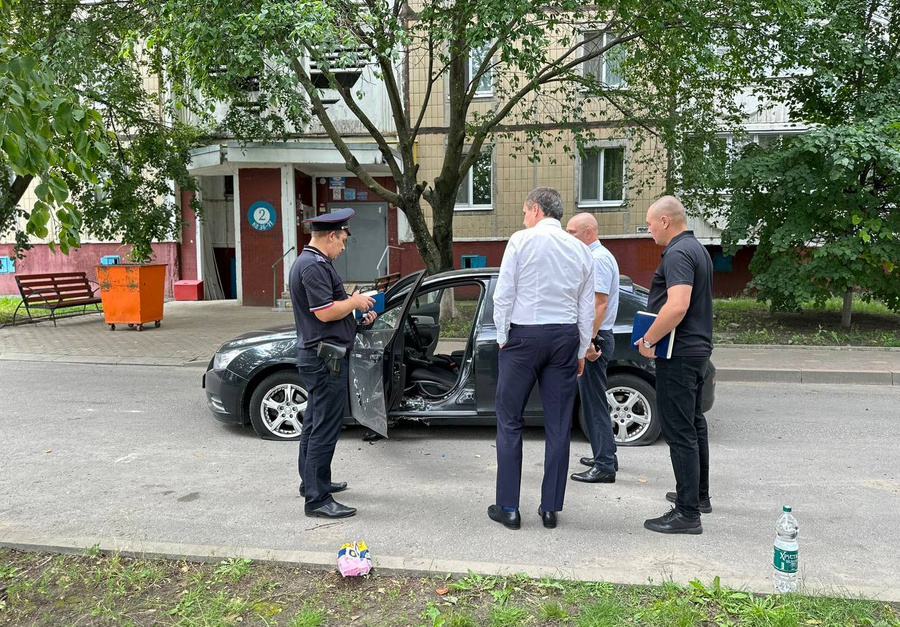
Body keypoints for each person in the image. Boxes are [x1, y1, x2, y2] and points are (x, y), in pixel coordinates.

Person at [489, 187, 595, 530]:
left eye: (524, 211)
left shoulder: (520, 241)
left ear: (535, 209)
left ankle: (508, 508)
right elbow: (586, 307)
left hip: (523, 336)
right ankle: (550, 508)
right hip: (564, 337)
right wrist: (581, 349)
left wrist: (502, 336)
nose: (523, 218)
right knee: (559, 425)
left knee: (509, 420)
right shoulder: (581, 250)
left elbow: (504, 293)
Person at [289, 208, 377, 519]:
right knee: (324, 428)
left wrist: (356, 315)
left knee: (315, 423)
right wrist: (354, 301)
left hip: (321, 355)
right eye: (342, 240)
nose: (343, 247)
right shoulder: (314, 266)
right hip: (324, 359)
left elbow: (329, 312)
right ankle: (317, 500)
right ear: (331, 236)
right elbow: (324, 312)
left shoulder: (312, 262)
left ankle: (313, 483)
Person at [635, 196, 714, 535]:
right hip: (696, 351)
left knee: (679, 432)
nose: (649, 229)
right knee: (693, 425)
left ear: (665, 221)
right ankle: (698, 496)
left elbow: (677, 305)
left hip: (678, 353)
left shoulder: (678, 253)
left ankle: (686, 514)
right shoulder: (697, 249)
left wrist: (649, 339)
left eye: (650, 224)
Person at [565, 213, 620, 484]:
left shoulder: (597, 259)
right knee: (595, 400)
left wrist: (588, 342)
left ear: (589, 232)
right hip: (598, 336)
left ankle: (605, 465)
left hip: (596, 339)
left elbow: (600, 304)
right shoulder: (597, 256)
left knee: (593, 404)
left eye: (572, 232)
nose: (568, 236)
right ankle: (606, 453)